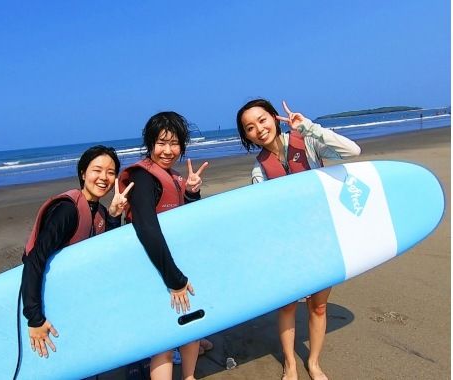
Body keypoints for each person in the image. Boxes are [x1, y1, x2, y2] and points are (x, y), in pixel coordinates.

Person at [236, 99, 361, 380]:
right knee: (288, 305)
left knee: (318, 305)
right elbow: (264, 215)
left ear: (274, 117)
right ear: (247, 136)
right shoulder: (260, 170)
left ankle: (314, 363)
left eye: (262, 120)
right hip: (288, 247)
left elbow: (352, 150)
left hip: (323, 239)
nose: (259, 129)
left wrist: (308, 127)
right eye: (250, 128)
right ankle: (290, 363)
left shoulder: (307, 141)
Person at [21, 145, 133, 358]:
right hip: (50, 299)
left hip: (76, 299)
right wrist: (34, 319)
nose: (104, 177)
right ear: (83, 173)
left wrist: (112, 216)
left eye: (111, 172)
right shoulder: (67, 210)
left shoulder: (98, 211)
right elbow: (36, 258)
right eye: (97, 170)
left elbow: (104, 253)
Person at [119, 111, 208, 380]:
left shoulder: (172, 176)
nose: (168, 150)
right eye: (161, 143)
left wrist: (192, 193)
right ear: (150, 144)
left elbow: (183, 219)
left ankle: (190, 374)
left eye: (174, 143)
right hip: (156, 267)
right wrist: (175, 279)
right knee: (164, 342)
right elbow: (146, 227)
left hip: (174, 263)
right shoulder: (143, 178)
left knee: (191, 325)